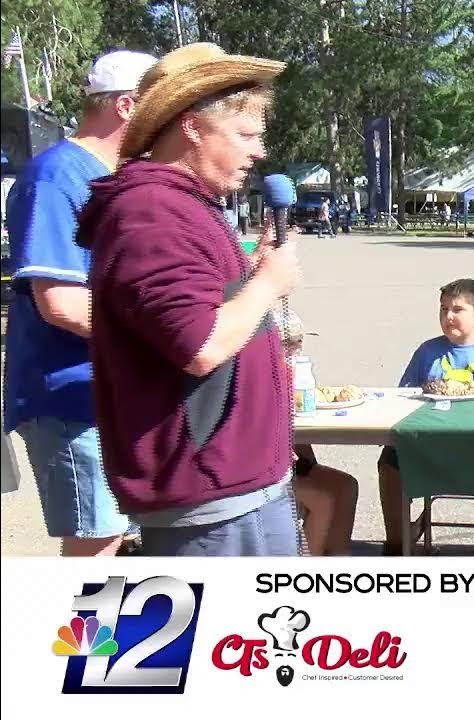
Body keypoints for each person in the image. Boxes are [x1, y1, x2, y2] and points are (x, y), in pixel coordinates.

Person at [78, 43, 300, 556]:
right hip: (209, 499)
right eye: (245, 134)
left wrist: (250, 274)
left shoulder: (184, 205)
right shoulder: (152, 210)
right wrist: (267, 282)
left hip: (234, 486)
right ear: (193, 126)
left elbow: (196, 312)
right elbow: (199, 344)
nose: (258, 151)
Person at [2, 50, 156, 557]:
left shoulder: (111, 176)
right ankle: (70, 640)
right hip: (72, 402)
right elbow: (63, 303)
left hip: (109, 396)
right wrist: (166, 335)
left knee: (119, 545)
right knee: (96, 549)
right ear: (129, 106)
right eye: (164, 106)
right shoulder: (56, 176)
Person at [377, 279, 474, 555]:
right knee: (389, 459)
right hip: (430, 438)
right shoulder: (428, 351)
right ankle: (397, 539)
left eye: (457, 309)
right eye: (443, 310)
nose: (448, 317)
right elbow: (404, 394)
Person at [272, 306, 358, 556]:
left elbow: (296, 430)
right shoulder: (261, 374)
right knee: (323, 498)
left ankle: (336, 563)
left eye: (298, 342)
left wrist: (310, 464)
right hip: (256, 475)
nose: (294, 349)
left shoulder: (295, 374)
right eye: (286, 342)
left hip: (283, 466)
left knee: (346, 486)